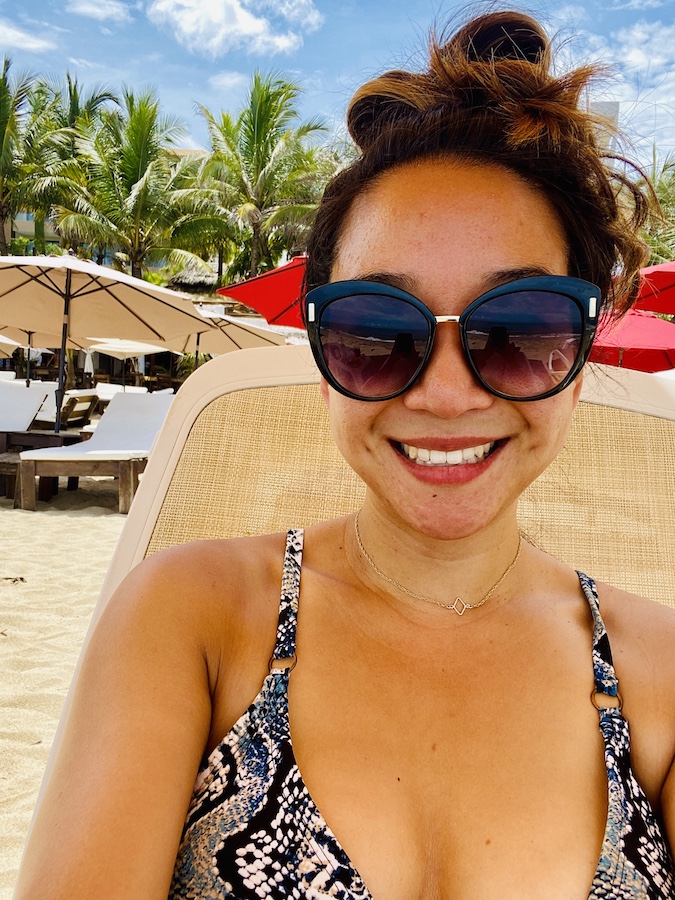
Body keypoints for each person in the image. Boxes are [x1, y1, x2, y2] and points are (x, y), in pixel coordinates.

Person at [15, 10, 675, 899]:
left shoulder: (659, 675)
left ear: (580, 356)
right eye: (377, 332)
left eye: (520, 328)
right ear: (324, 361)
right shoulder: (194, 621)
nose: (446, 393)